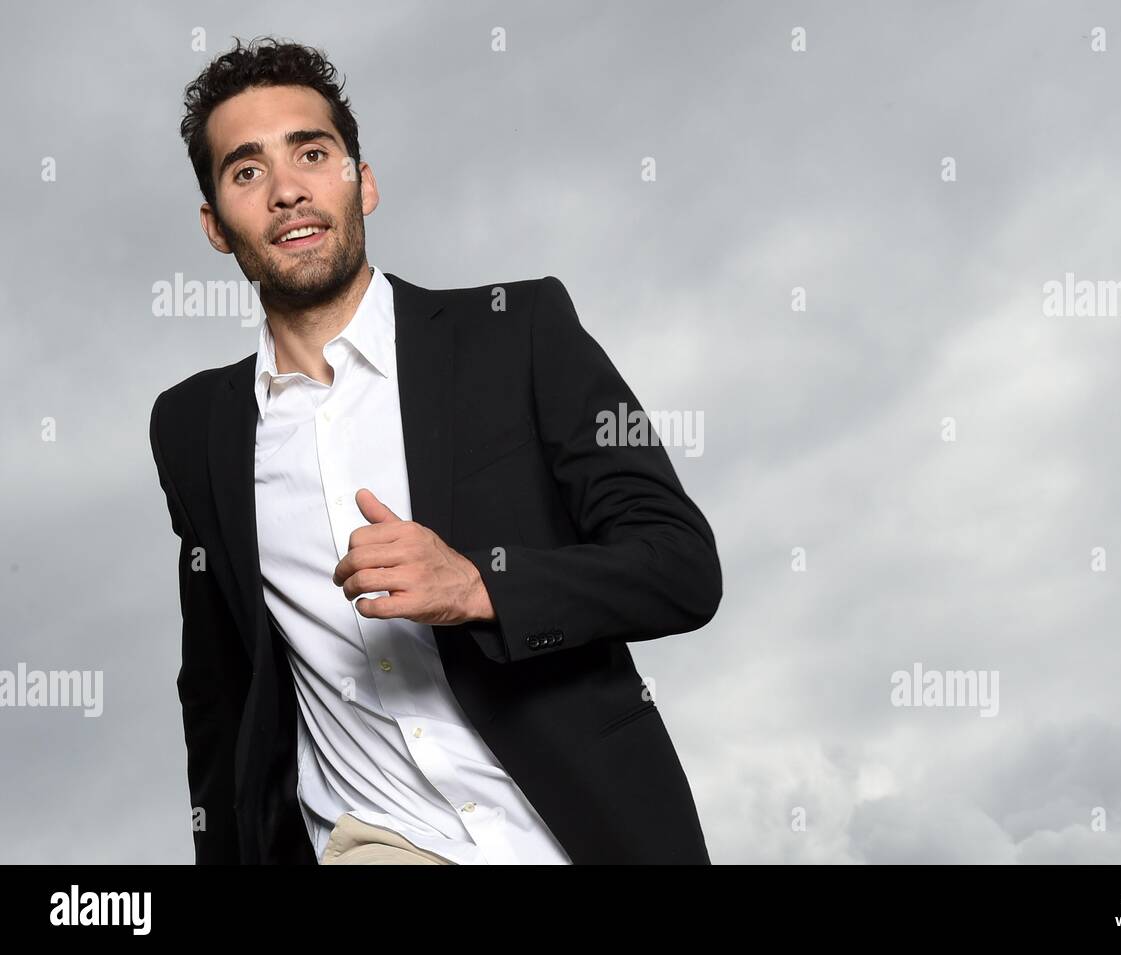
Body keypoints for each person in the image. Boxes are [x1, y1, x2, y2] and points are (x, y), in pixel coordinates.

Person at [150, 37, 722, 864]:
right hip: (377, 842)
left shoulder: (518, 334)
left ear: (363, 181)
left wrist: (480, 585)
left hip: (583, 833)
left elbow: (679, 567)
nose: (286, 190)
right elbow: (217, 693)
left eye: (312, 152)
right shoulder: (194, 428)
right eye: (246, 172)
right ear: (215, 225)